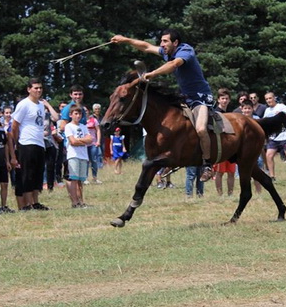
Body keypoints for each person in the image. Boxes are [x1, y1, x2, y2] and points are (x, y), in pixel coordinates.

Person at [111, 29, 215, 181]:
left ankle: (208, 164)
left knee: (200, 129)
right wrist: (124, 39)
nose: (161, 44)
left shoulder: (186, 51)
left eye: (165, 41)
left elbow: (174, 65)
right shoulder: (167, 52)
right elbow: (146, 47)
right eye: (161, 41)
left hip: (201, 97)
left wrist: (153, 74)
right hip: (186, 98)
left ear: (175, 43)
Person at [11, 78, 54, 211]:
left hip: (39, 143)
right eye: (35, 88)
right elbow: (14, 125)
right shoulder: (24, 104)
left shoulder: (41, 105)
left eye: (40, 88)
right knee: (27, 174)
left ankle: (35, 201)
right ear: (29, 89)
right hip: (26, 142)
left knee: (38, 173)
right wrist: (16, 142)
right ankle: (28, 203)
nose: (38, 90)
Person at [64, 104, 92, 208]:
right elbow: (72, 141)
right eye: (76, 113)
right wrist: (83, 141)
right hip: (73, 155)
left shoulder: (83, 126)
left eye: (80, 113)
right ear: (71, 115)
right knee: (74, 179)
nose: (78, 116)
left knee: (81, 180)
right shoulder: (69, 126)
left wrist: (79, 141)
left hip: (83, 156)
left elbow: (90, 140)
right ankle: (74, 202)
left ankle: (81, 201)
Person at [213, 88, 235, 196]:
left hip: (231, 147)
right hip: (220, 147)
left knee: (231, 172)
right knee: (219, 172)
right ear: (218, 100)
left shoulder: (231, 113)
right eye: (222, 98)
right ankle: (220, 194)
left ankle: (230, 194)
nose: (224, 101)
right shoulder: (215, 113)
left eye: (226, 98)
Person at [240, 100, 262, 194]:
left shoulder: (257, 119)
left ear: (252, 109)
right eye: (245, 108)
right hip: (244, 150)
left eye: (249, 108)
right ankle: (246, 191)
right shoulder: (239, 120)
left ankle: (258, 192)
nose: (247, 110)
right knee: (246, 173)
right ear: (241, 109)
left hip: (256, 148)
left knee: (258, 171)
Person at [85, 106, 102, 184]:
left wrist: (98, 141)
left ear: (89, 111)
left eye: (86, 110)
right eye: (83, 111)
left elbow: (98, 130)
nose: (85, 112)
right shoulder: (81, 121)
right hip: (84, 144)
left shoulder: (94, 120)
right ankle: (85, 178)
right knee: (85, 161)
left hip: (93, 143)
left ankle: (95, 178)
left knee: (94, 160)